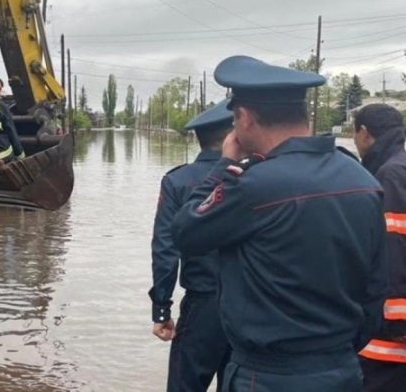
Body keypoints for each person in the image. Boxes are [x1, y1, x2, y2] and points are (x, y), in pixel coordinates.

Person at [171, 55, 388, 392]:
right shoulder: (363, 179)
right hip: (342, 370)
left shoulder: (253, 186)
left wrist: (222, 166)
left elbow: (186, 232)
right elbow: (376, 288)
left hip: (269, 375)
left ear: (243, 118)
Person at [149, 100, 233, 392]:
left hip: (203, 305)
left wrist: (161, 307)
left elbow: (165, 248)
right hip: (252, 306)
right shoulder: (257, 177)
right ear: (233, 135)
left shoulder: (178, 181)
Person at [352, 104, 406, 391]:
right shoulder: (399, 165)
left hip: (391, 331)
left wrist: (396, 320)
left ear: (363, 133)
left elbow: (393, 243)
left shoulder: (389, 174)